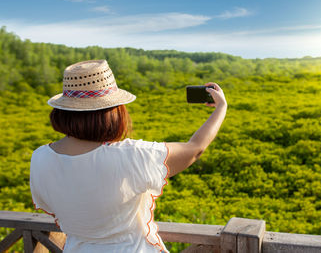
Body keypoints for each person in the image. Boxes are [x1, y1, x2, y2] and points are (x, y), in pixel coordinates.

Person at [30, 60, 227, 253]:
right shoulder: (131, 155)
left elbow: (53, 208)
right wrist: (221, 108)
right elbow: (195, 149)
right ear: (113, 112)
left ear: (64, 111)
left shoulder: (40, 158)